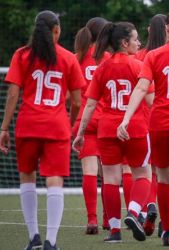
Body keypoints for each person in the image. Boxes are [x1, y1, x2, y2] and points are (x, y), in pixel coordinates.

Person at [117, 9, 169, 248]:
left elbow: (142, 89)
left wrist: (125, 119)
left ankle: (166, 231)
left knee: (164, 178)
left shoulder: (153, 55)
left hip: (160, 123)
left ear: (167, 29)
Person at [0, 10, 84, 250]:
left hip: (27, 125)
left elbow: (13, 93)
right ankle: (51, 241)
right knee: (54, 180)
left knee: (27, 177)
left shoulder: (21, 55)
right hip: (56, 127)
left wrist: (4, 127)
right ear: (56, 30)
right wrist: (70, 124)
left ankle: (33, 237)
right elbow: (77, 101)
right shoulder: (68, 58)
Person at [72, 21, 152, 243]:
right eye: (135, 39)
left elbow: (89, 104)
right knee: (143, 174)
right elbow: (150, 100)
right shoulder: (138, 67)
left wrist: (80, 132)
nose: (139, 43)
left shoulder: (103, 68)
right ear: (124, 43)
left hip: (106, 129)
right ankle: (134, 212)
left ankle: (115, 230)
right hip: (134, 127)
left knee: (110, 179)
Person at [73, 16, 110, 235]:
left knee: (89, 171)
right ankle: (109, 219)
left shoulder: (76, 58)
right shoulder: (108, 58)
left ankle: (92, 220)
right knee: (109, 173)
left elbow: (72, 96)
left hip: (84, 120)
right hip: (106, 119)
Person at [134, 13, 167, 237]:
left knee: (146, 172)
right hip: (167, 118)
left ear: (148, 30)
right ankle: (165, 218)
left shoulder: (138, 56)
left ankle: (147, 208)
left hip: (143, 120)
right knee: (165, 172)